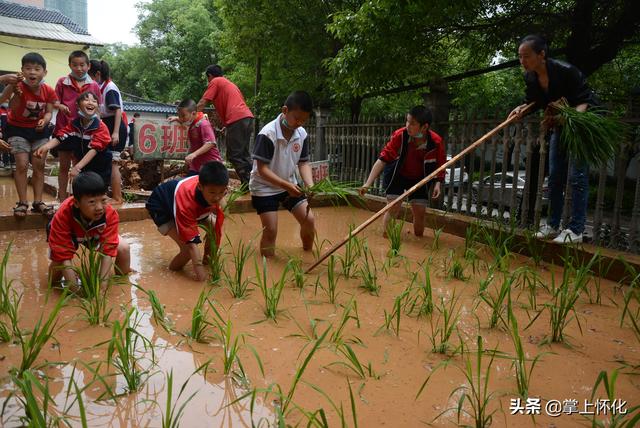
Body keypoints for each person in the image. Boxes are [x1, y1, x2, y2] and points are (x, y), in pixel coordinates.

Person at [509, 35, 597, 244]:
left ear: (542, 54)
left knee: (577, 177)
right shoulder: (530, 77)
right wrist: (521, 109)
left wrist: (570, 119)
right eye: (520, 57)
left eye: (527, 56)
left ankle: (575, 230)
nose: (523, 61)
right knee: (555, 175)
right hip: (559, 126)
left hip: (580, 125)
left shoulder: (566, 71)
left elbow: (585, 100)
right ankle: (553, 225)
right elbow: (533, 101)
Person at [360, 105, 445, 238]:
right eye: (407, 121)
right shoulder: (400, 135)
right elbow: (382, 159)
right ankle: (386, 240)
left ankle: (419, 240)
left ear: (424, 127)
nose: (408, 126)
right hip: (397, 175)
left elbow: (440, 165)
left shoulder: (436, 142)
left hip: (420, 177)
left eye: (412, 123)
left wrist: (438, 183)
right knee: (393, 208)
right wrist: (367, 183)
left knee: (420, 211)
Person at [249, 90, 316, 257]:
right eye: (297, 118)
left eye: (304, 120)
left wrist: (311, 185)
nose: (299, 123)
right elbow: (262, 169)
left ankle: (308, 256)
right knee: (271, 230)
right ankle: (268, 269)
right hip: (264, 187)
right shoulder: (268, 133)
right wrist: (286, 185)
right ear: (285, 110)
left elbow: (304, 163)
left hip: (289, 184)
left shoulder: (302, 134)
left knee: (309, 220)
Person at [145, 161, 229, 281]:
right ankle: (171, 275)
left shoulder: (214, 188)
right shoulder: (187, 204)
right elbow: (191, 246)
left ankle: (208, 261)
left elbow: (223, 207)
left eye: (221, 192)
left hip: (190, 203)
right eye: (212, 193)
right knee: (187, 251)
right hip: (162, 205)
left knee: (214, 226)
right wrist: (202, 282)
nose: (217, 197)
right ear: (200, 187)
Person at [46, 171, 131, 289]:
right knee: (55, 274)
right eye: (92, 202)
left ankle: (122, 279)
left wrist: (102, 288)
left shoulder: (110, 214)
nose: (99, 208)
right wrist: (75, 290)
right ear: (76, 203)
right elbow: (63, 255)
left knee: (123, 248)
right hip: (70, 234)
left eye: (103, 200)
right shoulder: (63, 215)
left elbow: (108, 251)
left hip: (93, 233)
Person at [0, 53, 58, 218]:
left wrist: (45, 121)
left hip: (39, 131)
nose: (32, 72)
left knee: (39, 164)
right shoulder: (15, 85)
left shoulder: (48, 91)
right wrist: (8, 85)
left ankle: (38, 202)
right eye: (28, 68)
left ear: (44, 73)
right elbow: (2, 100)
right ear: (22, 71)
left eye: (37, 69)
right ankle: (22, 202)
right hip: (17, 129)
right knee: (22, 164)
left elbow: (48, 113)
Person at [35, 92, 112, 186]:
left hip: (100, 167)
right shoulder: (74, 124)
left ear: (97, 107)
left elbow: (94, 150)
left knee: (97, 192)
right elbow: (60, 137)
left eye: (94, 101)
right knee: (84, 192)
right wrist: (45, 147)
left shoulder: (101, 127)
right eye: (86, 100)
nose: (90, 102)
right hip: (84, 166)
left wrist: (77, 167)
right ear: (78, 106)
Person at [54, 50, 102, 201]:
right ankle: (62, 199)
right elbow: (54, 101)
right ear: (70, 65)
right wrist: (60, 106)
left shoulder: (93, 85)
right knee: (63, 166)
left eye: (82, 65)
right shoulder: (62, 82)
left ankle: (77, 200)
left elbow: (98, 108)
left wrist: (98, 128)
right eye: (75, 65)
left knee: (79, 167)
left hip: (84, 132)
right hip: (65, 129)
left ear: (88, 66)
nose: (79, 68)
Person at [197, 64, 254, 186]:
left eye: (207, 79)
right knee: (244, 154)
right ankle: (256, 182)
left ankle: (249, 184)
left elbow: (203, 102)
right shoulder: (229, 84)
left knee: (234, 155)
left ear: (210, 76)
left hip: (237, 119)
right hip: (247, 118)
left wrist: (191, 115)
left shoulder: (215, 81)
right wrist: (227, 125)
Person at [89, 60, 128, 204]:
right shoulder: (100, 86)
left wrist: (115, 132)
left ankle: (117, 197)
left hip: (114, 126)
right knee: (105, 162)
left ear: (97, 74)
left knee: (113, 162)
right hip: (107, 126)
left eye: (89, 75)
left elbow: (117, 110)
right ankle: (105, 194)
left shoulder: (109, 88)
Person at [168, 99, 222, 175]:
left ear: (193, 113)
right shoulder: (193, 122)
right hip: (196, 167)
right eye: (179, 115)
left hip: (210, 167)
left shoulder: (203, 124)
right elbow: (184, 121)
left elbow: (210, 143)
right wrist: (177, 118)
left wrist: (194, 154)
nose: (181, 118)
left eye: (183, 115)